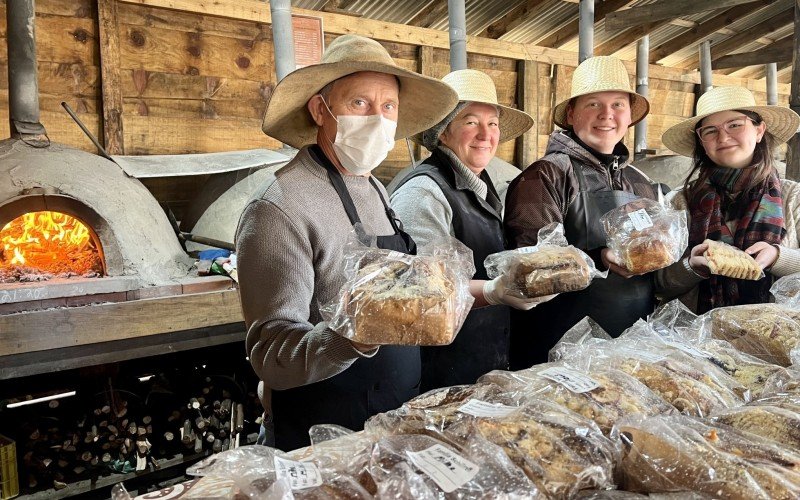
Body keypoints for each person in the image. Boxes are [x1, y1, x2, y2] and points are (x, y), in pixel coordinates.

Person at [235, 34, 458, 451]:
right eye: (360, 103)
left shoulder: (374, 186)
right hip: (322, 432)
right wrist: (351, 337)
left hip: (391, 415)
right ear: (320, 110)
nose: (377, 118)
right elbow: (270, 356)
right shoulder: (279, 207)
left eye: (387, 106)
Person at [390, 69, 548, 391]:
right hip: (439, 368)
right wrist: (493, 291)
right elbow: (424, 291)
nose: (485, 134)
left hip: (478, 358)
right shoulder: (424, 192)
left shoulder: (484, 186)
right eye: (471, 122)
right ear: (443, 132)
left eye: (492, 124)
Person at [503, 55, 659, 369]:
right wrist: (599, 258)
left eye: (618, 104)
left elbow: (659, 261)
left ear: (629, 116)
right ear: (571, 114)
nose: (607, 115)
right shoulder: (544, 176)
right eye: (593, 105)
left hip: (630, 352)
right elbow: (534, 269)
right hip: (557, 355)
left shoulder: (641, 182)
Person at [656, 86, 800, 312]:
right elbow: (659, 284)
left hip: (776, 338)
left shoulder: (794, 198)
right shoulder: (678, 202)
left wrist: (778, 257)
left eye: (735, 125)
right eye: (710, 130)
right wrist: (691, 267)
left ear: (759, 130)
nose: (723, 137)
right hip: (694, 339)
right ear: (702, 142)